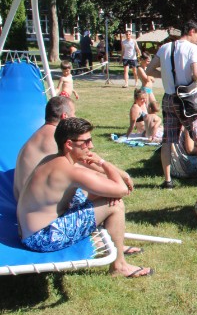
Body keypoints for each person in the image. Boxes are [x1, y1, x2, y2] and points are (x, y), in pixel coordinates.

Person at [16, 118, 152, 278]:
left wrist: (108, 177)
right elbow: (121, 189)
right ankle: (119, 266)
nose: (91, 146)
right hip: (42, 238)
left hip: (29, 232)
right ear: (69, 144)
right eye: (86, 142)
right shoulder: (70, 171)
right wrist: (103, 163)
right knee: (115, 205)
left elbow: (96, 180)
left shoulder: (52, 160)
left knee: (98, 195)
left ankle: (114, 243)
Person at [146, 20, 197, 189]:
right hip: (188, 99)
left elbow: (149, 70)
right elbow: (196, 74)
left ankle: (167, 180)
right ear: (192, 31)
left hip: (169, 98)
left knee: (168, 139)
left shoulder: (164, 47)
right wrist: (193, 76)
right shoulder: (192, 49)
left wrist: (166, 76)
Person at [14, 96, 75, 200]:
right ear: (64, 116)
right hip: (34, 203)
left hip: (21, 198)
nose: (75, 117)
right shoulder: (55, 137)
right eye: (74, 114)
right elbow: (76, 169)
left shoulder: (41, 133)